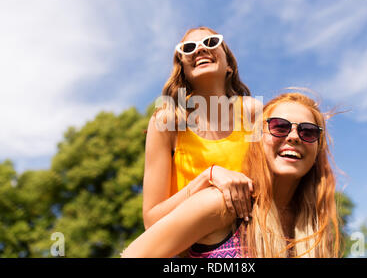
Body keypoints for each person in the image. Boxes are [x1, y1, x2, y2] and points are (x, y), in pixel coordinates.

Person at [121, 92, 341, 258]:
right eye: (279, 127)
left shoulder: (316, 231)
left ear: (317, 149)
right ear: (256, 139)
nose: (294, 137)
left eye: (308, 131)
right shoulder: (222, 203)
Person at [142, 26, 262, 235]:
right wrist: (208, 177)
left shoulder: (253, 112)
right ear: (183, 69)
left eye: (210, 43)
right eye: (188, 48)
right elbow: (152, 222)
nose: (199, 50)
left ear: (229, 66)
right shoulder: (168, 121)